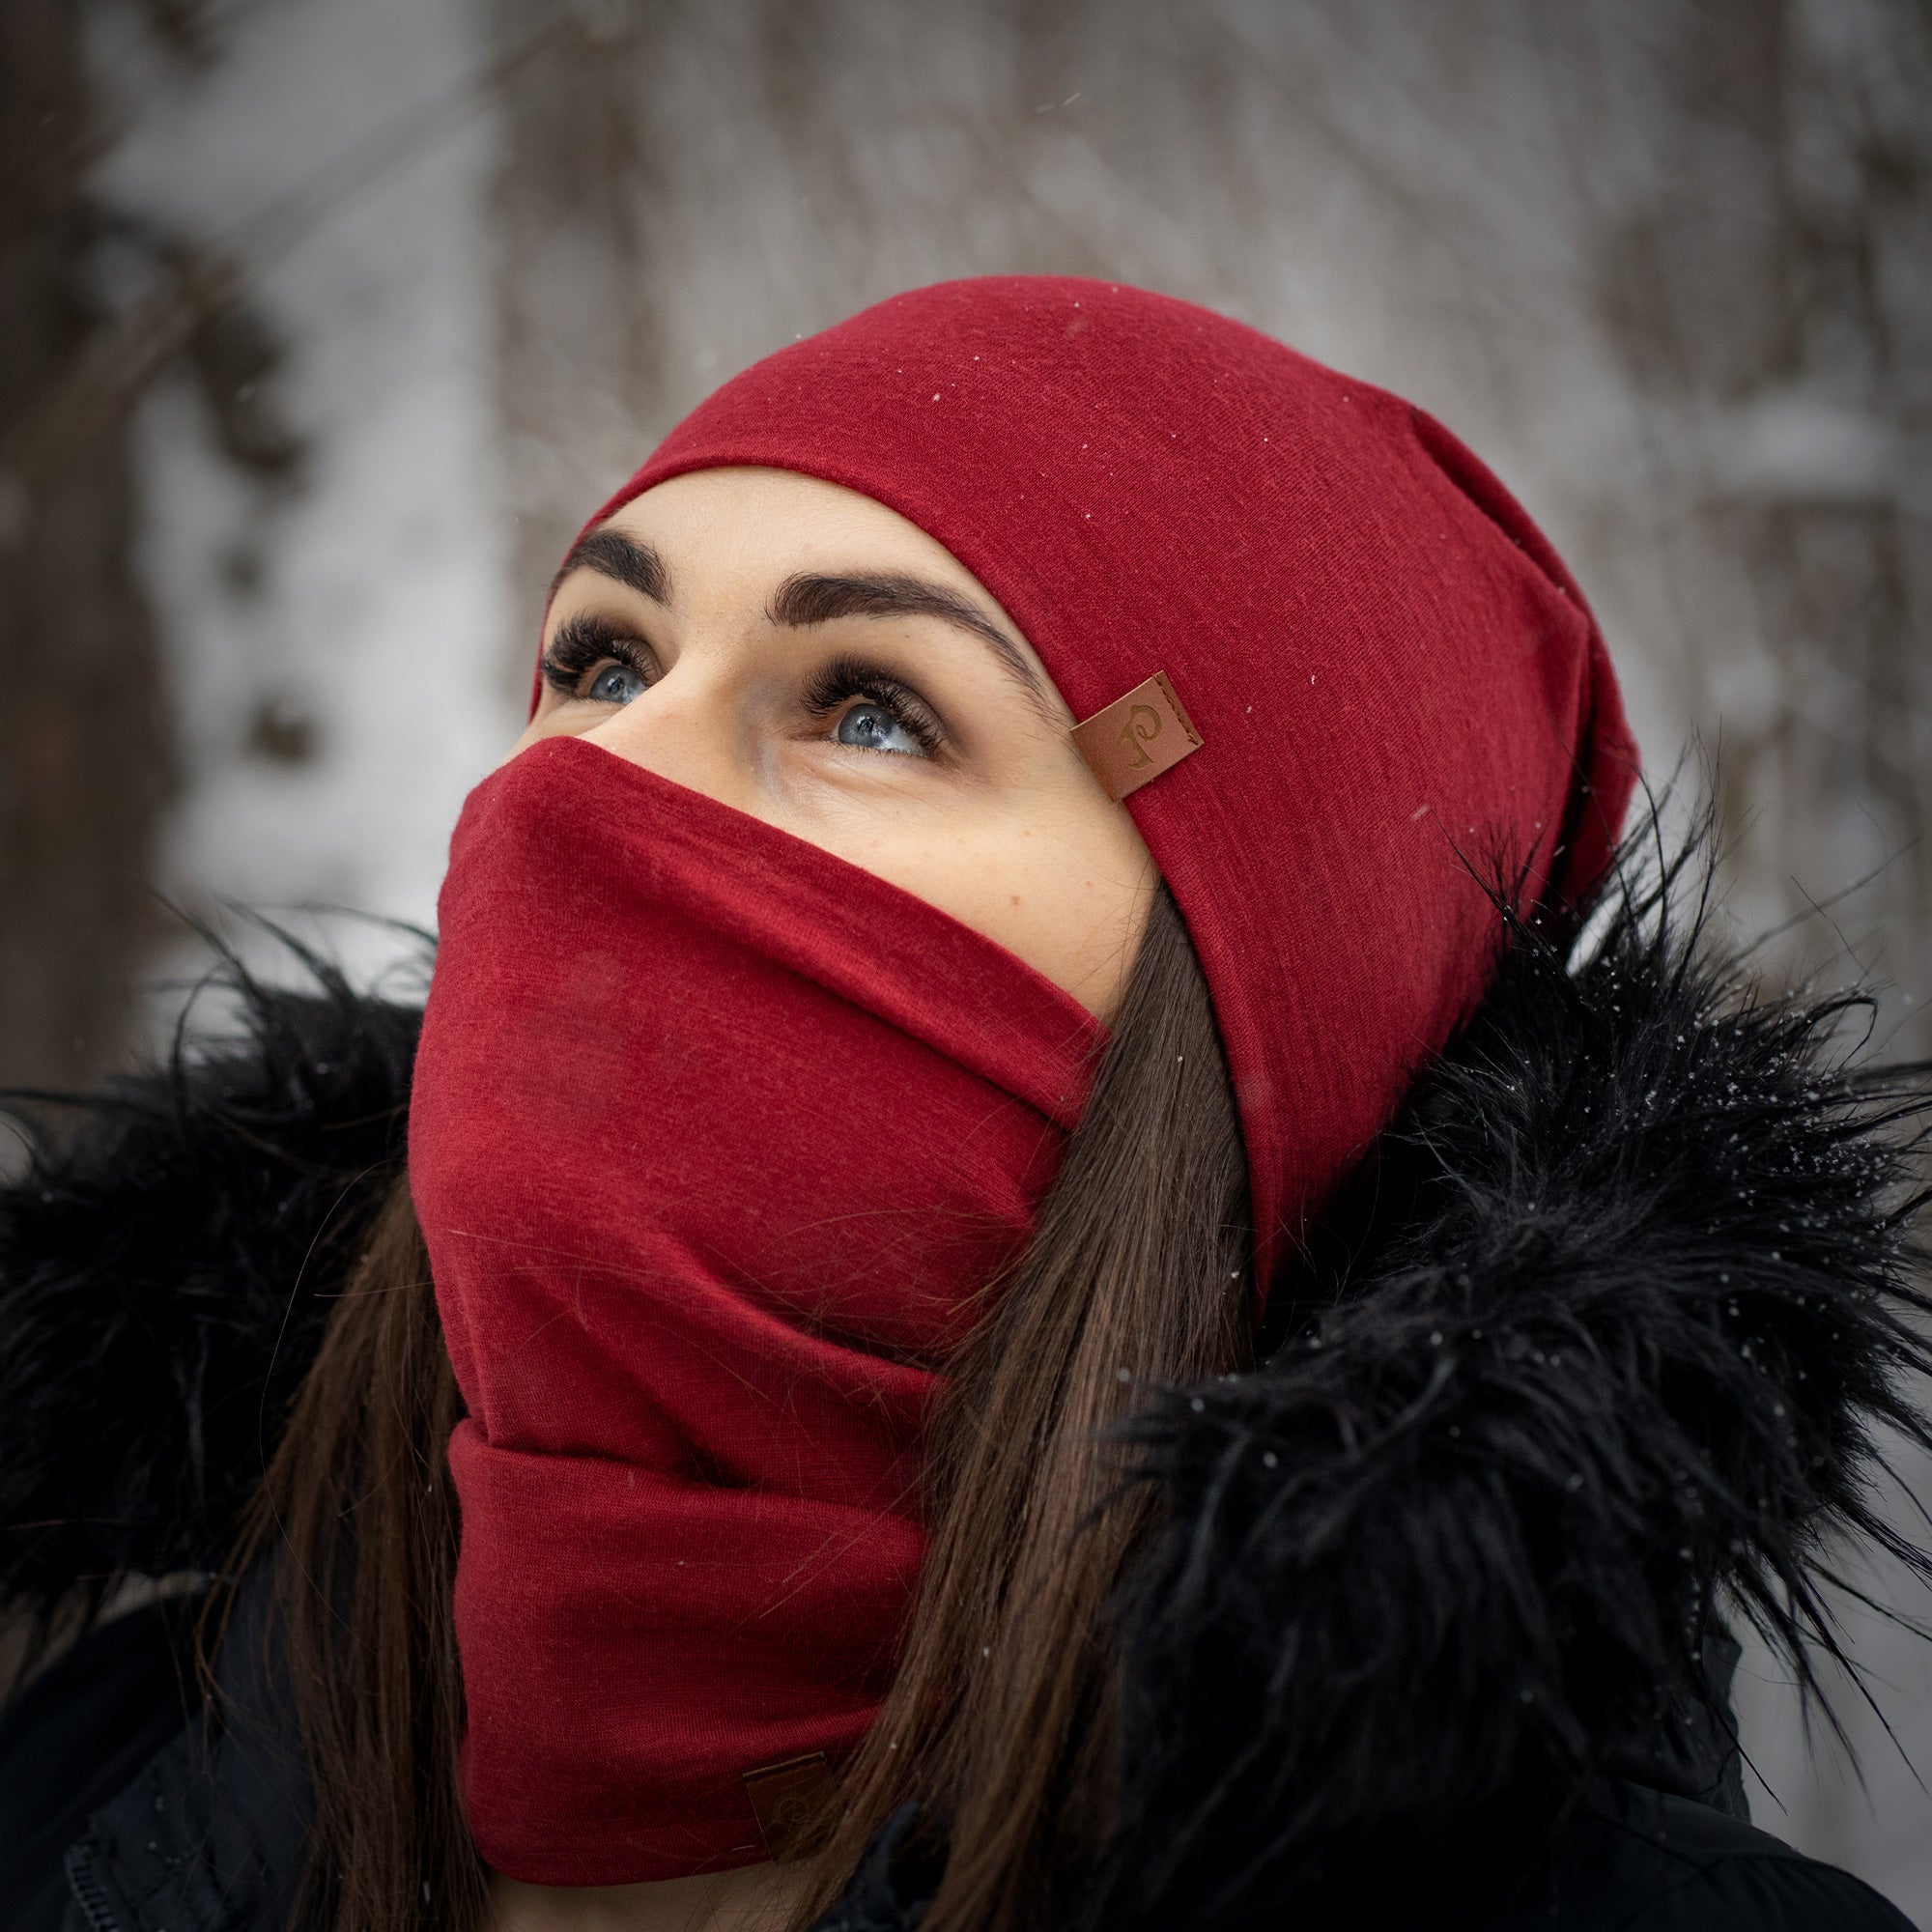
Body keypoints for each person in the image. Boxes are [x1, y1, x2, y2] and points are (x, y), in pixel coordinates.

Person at [2, 277, 1926, 1932]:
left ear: (1259, 999)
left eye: (871, 707)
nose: (597, 787)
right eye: (599, 657)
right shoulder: (80, 1788)